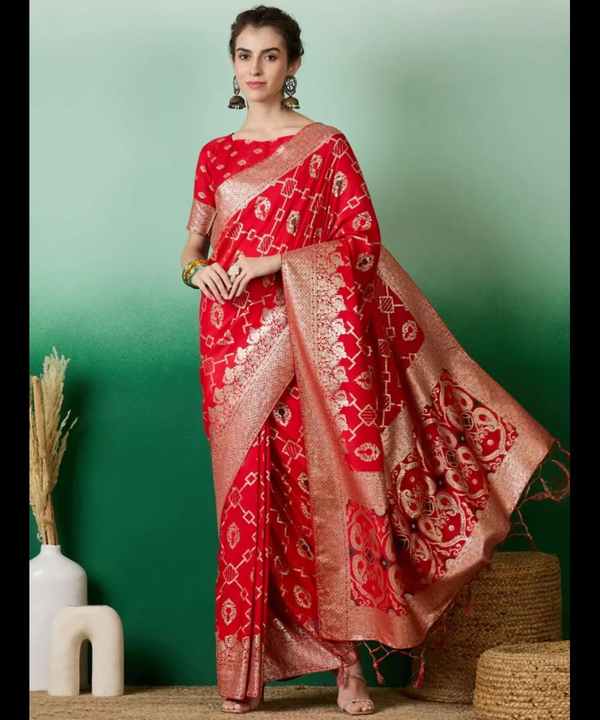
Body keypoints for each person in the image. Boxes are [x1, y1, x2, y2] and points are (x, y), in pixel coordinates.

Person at [180, 5, 571, 716]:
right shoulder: (215, 155)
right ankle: (245, 673)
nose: (256, 68)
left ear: (294, 64)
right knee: (245, 503)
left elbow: (360, 245)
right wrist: (197, 273)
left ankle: (347, 667)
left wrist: (273, 263)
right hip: (231, 346)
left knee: (317, 499)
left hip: (309, 344)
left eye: (270, 55)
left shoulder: (326, 147)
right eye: (244, 55)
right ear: (232, 63)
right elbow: (193, 246)